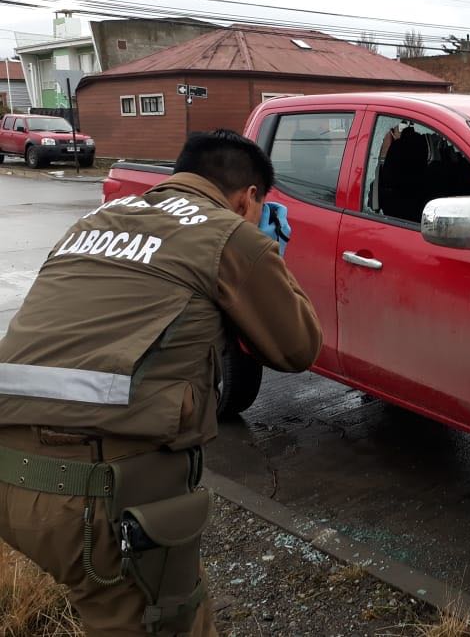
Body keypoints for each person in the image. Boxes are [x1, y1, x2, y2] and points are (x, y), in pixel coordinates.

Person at [0, 129, 322, 636]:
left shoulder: (91, 221)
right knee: (166, 620)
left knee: (110, 599)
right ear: (250, 197)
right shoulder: (229, 233)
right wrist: (266, 253)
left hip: (10, 472)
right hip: (94, 492)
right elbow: (297, 346)